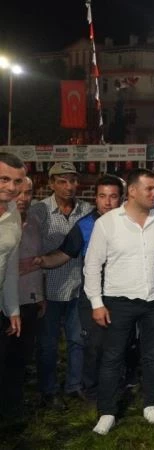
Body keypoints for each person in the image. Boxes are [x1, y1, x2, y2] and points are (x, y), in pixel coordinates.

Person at [84, 169, 154, 435]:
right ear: (133, 191)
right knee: (113, 357)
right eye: (149, 189)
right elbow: (92, 265)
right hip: (118, 301)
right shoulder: (108, 222)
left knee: (152, 356)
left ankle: (150, 404)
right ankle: (107, 412)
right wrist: (96, 303)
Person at [34, 175, 124, 404]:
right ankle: (90, 388)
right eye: (102, 196)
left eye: (113, 197)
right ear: (96, 199)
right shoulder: (85, 225)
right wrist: (39, 261)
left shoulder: (132, 222)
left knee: (121, 344)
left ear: (121, 199)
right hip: (95, 296)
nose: (107, 202)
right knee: (93, 345)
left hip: (126, 296)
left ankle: (118, 384)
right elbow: (64, 253)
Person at [27, 161, 92, 408]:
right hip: (48, 288)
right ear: (51, 184)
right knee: (48, 344)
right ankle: (49, 389)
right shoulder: (39, 211)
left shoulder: (86, 210)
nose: (69, 186)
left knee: (78, 340)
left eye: (73, 181)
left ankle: (74, 385)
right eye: (62, 181)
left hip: (78, 288)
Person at [1, 176, 43, 418]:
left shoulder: (35, 221)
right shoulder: (6, 221)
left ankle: (14, 405)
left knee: (21, 356)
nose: (23, 198)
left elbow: (38, 260)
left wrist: (39, 295)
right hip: (5, 303)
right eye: (19, 192)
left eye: (28, 193)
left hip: (27, 300)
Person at [0, 153, 25, 422]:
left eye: (17, 181)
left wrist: (13, 308)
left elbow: (10, 266)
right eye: (4, 179)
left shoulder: (13, 213)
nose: (11, 187)